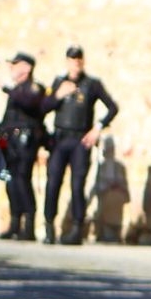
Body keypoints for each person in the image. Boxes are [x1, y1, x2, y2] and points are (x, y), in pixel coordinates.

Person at [43, 46, 119, 246]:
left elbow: (112, 107)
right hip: (60, 139)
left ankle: (77, 228)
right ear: (67, 61)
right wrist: (58, 95)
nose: (75, 63)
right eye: (71, 59)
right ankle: (49, 226)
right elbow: (43, 107)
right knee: (53, 182)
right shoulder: (59, 82)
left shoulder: (91, 84)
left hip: (80, 139)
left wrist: (97, 129)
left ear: (83, 61)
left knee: (77, 185)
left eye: (78, 59)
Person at [0, 53, 63, 241]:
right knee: (9, 180)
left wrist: (8, 90)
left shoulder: (33, 89)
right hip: (10, 142)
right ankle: (15, 223)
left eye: (16, 65)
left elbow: (30, 104)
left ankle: (29, 225)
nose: (12, 68)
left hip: (26, 141)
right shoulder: (17, 89)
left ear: (26, 67)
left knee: (22, 180)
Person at [91, 137, 131, 243]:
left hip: (117, 198)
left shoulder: (120, 167)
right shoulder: (102, 167)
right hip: (105, 197)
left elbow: (124, 184)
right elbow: (98, 185)